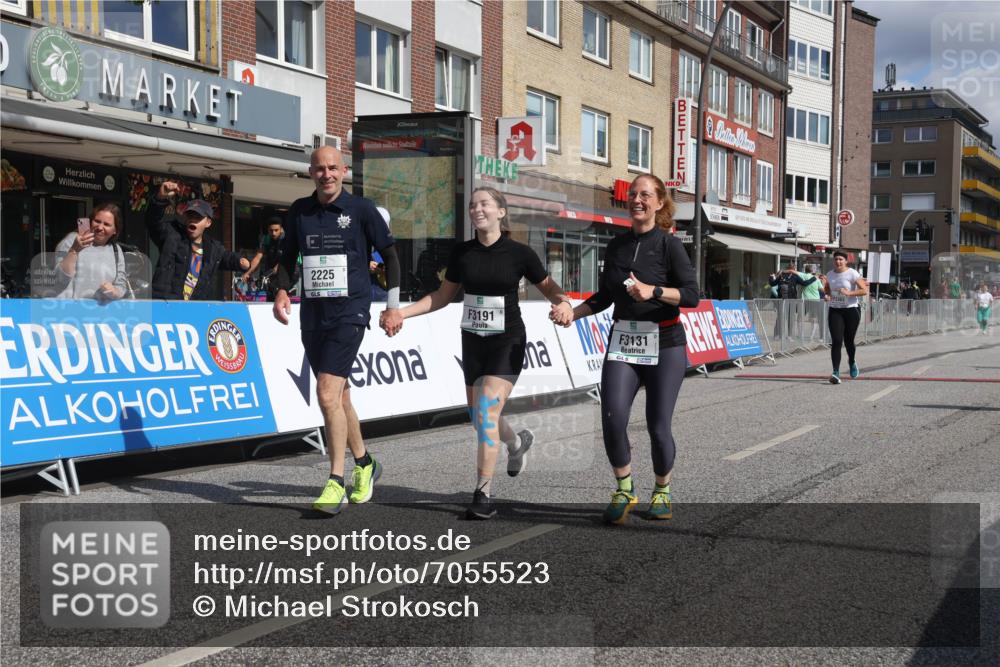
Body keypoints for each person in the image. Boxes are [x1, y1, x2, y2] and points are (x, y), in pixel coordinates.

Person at [389, 187, 568, 520]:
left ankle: (482, 494)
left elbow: (550, 288)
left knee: (485, 412)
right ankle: (516, 444)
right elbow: (442, 297)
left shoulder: (520, 253)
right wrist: (402, 313)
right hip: (473, 341)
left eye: (485, 204)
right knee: (480, 418)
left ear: (501, 211)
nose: (477, 209)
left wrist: (566, 304)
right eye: (473, 205)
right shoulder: (463, 253)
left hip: (507, 341)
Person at [552, 174, 699, 525]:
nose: (637, 200)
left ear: (659, 203)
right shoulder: (616, 246)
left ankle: (662, 490)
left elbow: (692, 296)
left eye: (645, 195)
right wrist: (573, 313)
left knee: (657, 426)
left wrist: (655, 291)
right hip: (624, 341)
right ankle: (625, 488)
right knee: (613, 417)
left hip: (665, 343)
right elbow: (605, 297)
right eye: (633, 194)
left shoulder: (669, 245)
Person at [273, 146, 403, 515]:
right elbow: (287, 257)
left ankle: (335, 481)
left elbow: (391, 256)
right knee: (341, 398)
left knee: (326, 393)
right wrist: (281, 290)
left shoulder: (361, 209)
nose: (326, 174)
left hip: (351, 313)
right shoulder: (300, 210)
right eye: (319, 169)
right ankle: (365, 464)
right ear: (310, 172)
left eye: (333, 168)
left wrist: (393, 306)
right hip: (314, 315)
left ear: (344, 171)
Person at [147, 182, 249, 300]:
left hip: (194, 307)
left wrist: (241, 262)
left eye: (198, 217)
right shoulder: (172, 234)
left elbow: (228, 258)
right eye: (190, 216)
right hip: (165, 303)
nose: (193, 220)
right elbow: (152, 222)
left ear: (208, 222)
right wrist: (160, 197)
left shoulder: (213, 248)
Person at [53, 203, 129, 302]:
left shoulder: (116, 249)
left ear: (115, 230)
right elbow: (59, 278)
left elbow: (121, 285)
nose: (100, 227)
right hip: (70, 308)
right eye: (97, 221)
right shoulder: (72, 240)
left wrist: (114, 291)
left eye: (107, 224)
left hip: (101, 309)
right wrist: (74, 250)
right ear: (90, 221)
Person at [820, 250, 869, 384]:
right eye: (836, 259)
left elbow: (864, 290)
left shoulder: (852, 273)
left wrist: (849, 293)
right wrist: (827, 295)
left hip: (851, 310)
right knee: (836, 340)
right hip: (835, 310)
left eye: (841, 259)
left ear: (846, 261)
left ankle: (852, 361)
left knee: (849, 341)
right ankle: (835, 372)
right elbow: (828, 289)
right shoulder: (830, 274)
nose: (838, 261)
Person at [243, 216, 286, 301]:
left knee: (279, 295)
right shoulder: (266, 239)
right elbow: (258, 257)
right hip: (272, 272)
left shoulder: (286, 239)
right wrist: (248, 272)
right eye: (271, 230)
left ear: (281, 229)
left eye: (276, 230)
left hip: (286, 271)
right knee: (270, 295)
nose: (273, 233)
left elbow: (285, 258)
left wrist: (275, 269)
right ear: (268, 230)